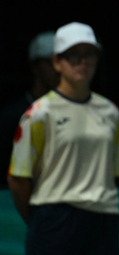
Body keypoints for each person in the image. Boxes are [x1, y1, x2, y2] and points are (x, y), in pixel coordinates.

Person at [7, 22, 119, 254]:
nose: (83, 62)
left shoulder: (111, 113)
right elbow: (18, 179)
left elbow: (114, 172)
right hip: (55, 221)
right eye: (73, 55)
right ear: (56, 62)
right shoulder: (39, 113)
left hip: (104, 221)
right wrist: (43, 222)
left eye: (89, 54)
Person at [1, 31, 59, 187]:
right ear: (35, 66)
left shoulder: (76, 109)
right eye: (50, 62)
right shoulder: (12, 115)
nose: (57, 68)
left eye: (61, 60)